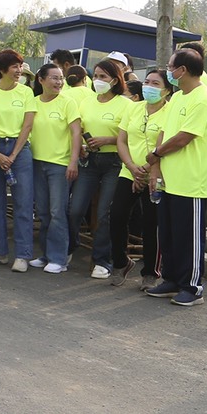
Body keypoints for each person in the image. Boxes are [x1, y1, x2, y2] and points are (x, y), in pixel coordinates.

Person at [145, 49, 207, 306]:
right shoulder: (177, 97)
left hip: (193, 182)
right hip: (171, 179)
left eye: (170, 67)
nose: (169, 71)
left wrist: (155, 154)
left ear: (183, 70)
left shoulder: (203, 99)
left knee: (189, 238)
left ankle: (193, 287)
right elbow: (165, 131)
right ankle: (172, 280)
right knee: (169, 234)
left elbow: (183, 138)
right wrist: (156, 165)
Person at [68, 57, 132, 280]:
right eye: (95, 76)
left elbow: (131, 136)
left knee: (104, 213)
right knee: (75, 209)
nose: (97, 80)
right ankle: (71, 244)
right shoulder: (86, 102)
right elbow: (78, 130)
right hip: (89, 161)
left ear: (115, 80)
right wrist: (82, 148)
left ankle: (101, 259)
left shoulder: (126, 105)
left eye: (103, 77)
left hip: (115, 162)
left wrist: (108, 139)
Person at [111, 68, 169, 289]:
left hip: (156, 173)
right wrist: (132, 167)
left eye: (155, 84)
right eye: (147, 82)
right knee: (116, 216)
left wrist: (145, 169)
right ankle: (120, 262)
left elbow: (163, 146)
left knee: (151, 222)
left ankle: (151, 273)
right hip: (129, 171)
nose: (149, 87)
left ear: (166, 90)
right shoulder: (133, 108)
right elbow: (122, 140)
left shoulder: (170, 111)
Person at [21, 63, 81, 274]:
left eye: (61, 78)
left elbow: (76, 133)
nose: (59, 82)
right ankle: (46, 254)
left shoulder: (68, 103)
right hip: (36, 163)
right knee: (44, 212)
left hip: (60, 165)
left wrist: (73, 161)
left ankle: (59, 259)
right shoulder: (34, 103)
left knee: (57, 212)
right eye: (54, 78)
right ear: (41, 79)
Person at [0, 48, 35, 271]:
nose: (19, 71)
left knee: (23, 203)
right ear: (2, 69)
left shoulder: (25, 93)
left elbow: (28, 125)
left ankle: (22, 255)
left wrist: (12, 155)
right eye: (15, 67)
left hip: (19, 151)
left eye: (20, 66)